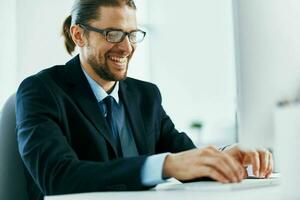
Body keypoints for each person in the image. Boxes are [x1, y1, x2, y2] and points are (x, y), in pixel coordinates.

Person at [15, 0, 273, 200]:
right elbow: (57, 178)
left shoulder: (146, 95)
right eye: (113, 34)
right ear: (79, 35)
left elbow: (186, 158)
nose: (127, 47)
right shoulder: (41, 91)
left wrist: (225, 157)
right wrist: (166, 165)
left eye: (132, 34)